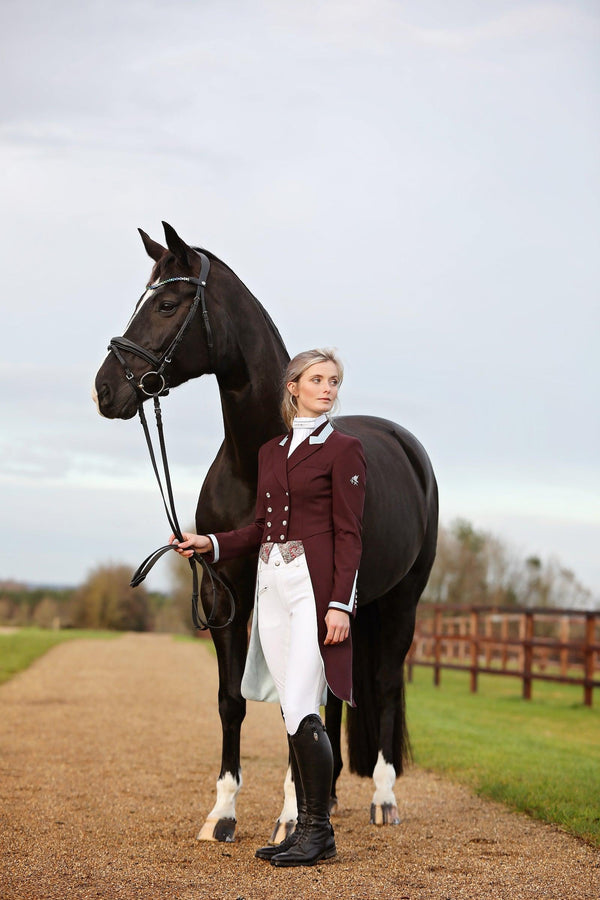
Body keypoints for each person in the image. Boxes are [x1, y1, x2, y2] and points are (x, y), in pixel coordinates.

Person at [171, 348, 366, 867]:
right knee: (289, 706)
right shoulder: (271, 452)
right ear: (293, 386)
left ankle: (318, 830)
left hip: (312, 589)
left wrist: (340, 605)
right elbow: (261, 528)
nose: (328, 389)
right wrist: (210, 542)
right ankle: (303, 830)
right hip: (271, 585)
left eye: (334, 381)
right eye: (318, 379)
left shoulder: (344, 450)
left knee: (304, 705)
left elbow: (349, 534)